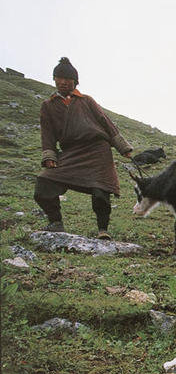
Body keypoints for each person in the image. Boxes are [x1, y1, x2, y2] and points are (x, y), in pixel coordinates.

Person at [35, 57, 133, 239]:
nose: (63, 82)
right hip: (70, 153)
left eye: (68, 79)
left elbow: (106, 122)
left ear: (75, 82)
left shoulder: (86, 100)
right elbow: (47, 133)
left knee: (101, 190)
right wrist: (49, 156)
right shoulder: (48, 106)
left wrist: (123, 147)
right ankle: (56, 222)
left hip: (97, 150)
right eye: (59, 78)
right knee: (44, 182)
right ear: (54, 79)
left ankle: (103, 230)